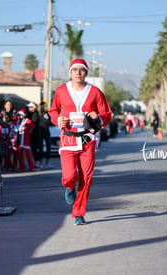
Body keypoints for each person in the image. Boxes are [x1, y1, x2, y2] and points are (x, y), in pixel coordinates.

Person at [49, 58, 112, 225]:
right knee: (70, 176)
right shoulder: (61, 91)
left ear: (86, 73)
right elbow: (53, 110)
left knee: (86, 178)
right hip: (68, 138)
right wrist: (58, 119)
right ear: (70, 73)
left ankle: (79, 213)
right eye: (75, 69)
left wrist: (97, 117)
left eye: (81, 69)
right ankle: (69, 187)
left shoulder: (95, 92)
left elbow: (107, 113)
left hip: (87, 139)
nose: (78, 72)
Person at [27, 102, 43, 170]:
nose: (29, 108)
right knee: (34, 150)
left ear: (34, 108)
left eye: (30, 107)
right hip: (34, 135)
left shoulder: (35, 115)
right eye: (29, 107)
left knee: (35, 149)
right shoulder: (30, 114)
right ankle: (37, 163)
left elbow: (33, 124)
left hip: (35, 135)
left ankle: (37, 164)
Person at [39, 101, 54, 169]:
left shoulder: (47, 114)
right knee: (41, 148)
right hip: (40, 133)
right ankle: (40, 162)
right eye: (44, 106)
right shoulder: (39, 115)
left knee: (48, 147)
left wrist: (47, 119)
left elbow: (50, 123)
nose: (46, 108)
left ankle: (47, 163)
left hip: (47, 133)